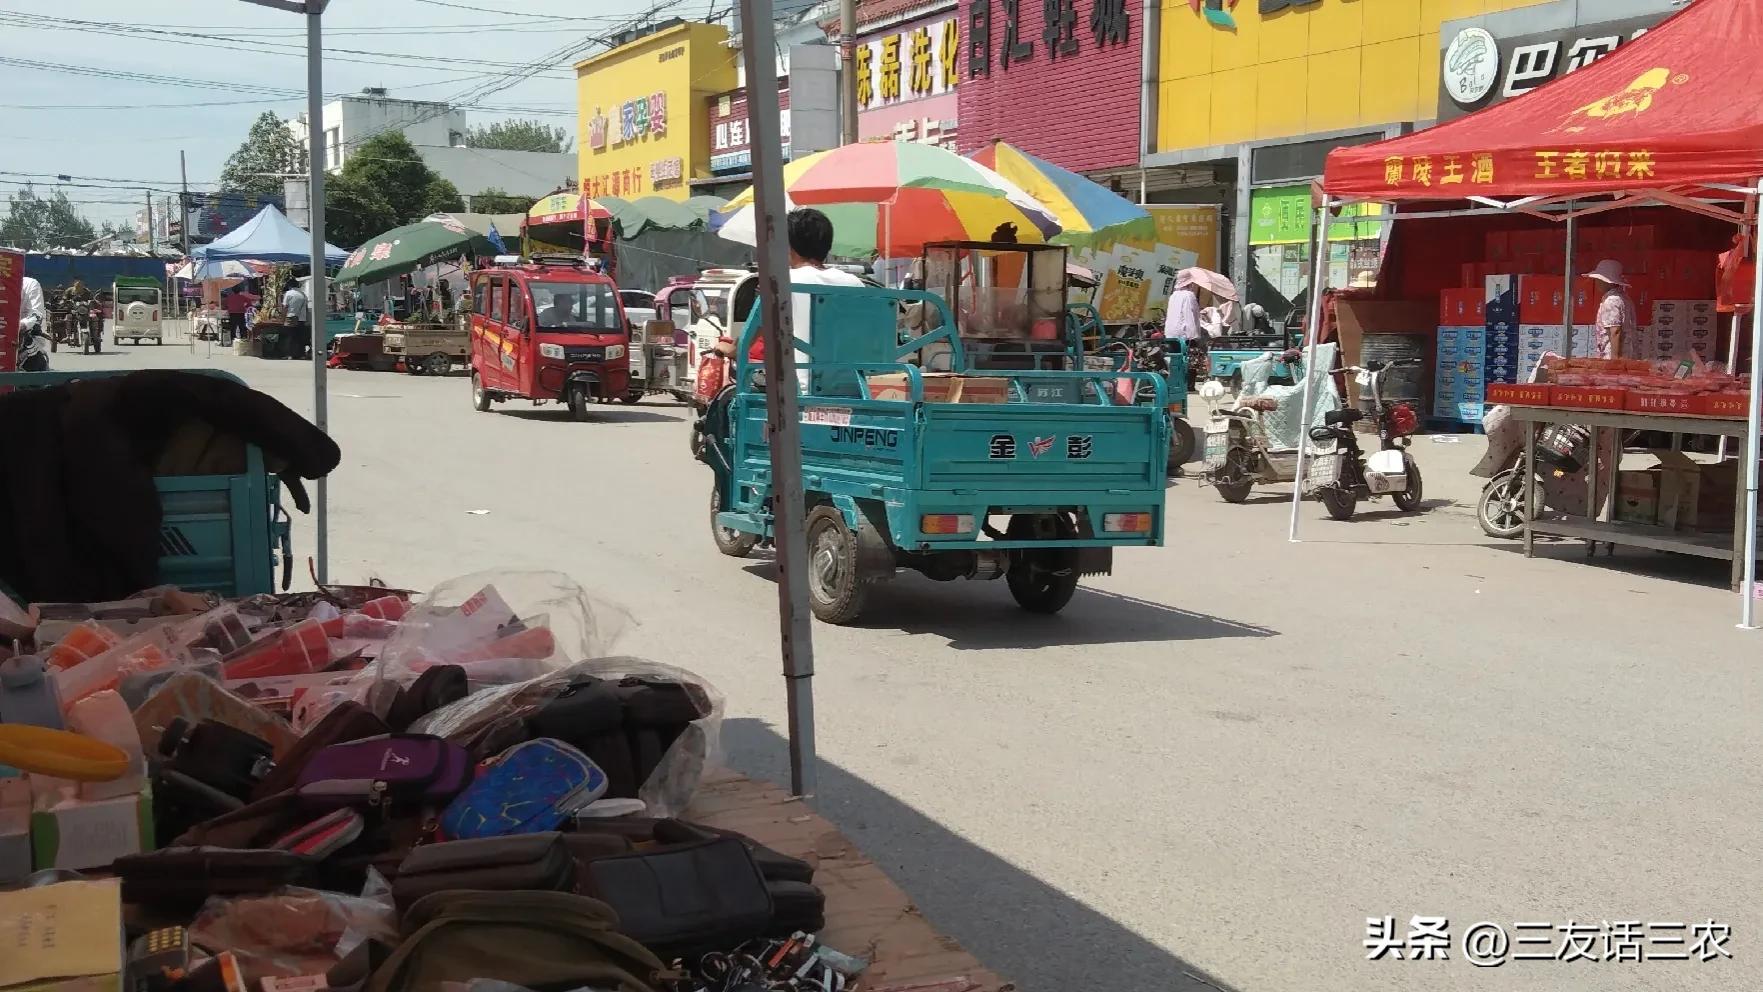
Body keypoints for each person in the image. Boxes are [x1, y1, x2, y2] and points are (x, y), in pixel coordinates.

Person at [715, 208, 863, 391]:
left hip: (799, 388)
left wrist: (728, 349)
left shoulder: (782, 282)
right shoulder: (855, 283)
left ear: (788, 246)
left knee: (726, 405)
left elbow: (747, 341)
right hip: (854, 386)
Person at [1586, 259, 1635, 359]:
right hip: (1626, 356)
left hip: (1611, 357)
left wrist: (1614, 362)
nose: (1597, 282)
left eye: (1599, 279)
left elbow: (1615, 331)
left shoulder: (1611, 301)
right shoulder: (1624, 298)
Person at [17, 276, 49, 371]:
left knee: (35, 376)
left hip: (24, 343)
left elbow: (36, 314)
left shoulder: (29, 284)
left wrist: (22, 325)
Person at [282, 280, 310, 360]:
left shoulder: (288, 293)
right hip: (302, 319)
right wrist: (307, 319)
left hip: (291, 317)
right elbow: (306, 308)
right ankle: (301, 354)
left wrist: (283, 318)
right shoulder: (303, 295)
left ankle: (290, 354)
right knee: (300, 337)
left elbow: (285, 307)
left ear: (289, 286)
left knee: (290, 337)